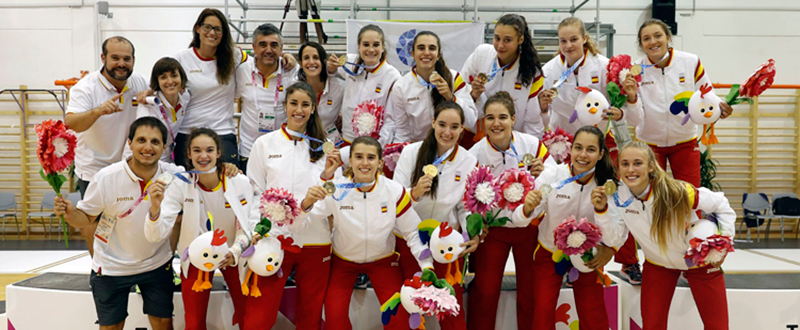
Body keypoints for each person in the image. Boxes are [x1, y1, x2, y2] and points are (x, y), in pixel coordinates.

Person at [540, 17, 644, 284]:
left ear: (584, 38)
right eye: (563, 41)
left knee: (618, 199)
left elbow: (626, 111)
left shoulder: (605, 66)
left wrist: (620, 111)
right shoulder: (549, 70)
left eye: (573, 39)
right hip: (564, 147)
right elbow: (542, 115)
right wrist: (542, 107)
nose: (568, 45)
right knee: (564, 205)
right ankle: (564, 258)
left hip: (599, 146)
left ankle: (628, 261)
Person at [593, 140, 736, 330]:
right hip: (658, 265)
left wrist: (723, 244)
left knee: (717, 327)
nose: (630, 170)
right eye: (625, 164)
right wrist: (601, 210)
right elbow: (613, 239)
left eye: (638, 163)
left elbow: (720, 204)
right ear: (618, 167)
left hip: (700, 264)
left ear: (651, 166)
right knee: (652, 326)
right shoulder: (619, 197)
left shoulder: (677, 192)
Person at [53, 117, 180, 330]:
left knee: (164, 323)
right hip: (112, 266)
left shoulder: (175, 175)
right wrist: (69, 213)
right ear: (129, 143)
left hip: (156, 263)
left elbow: (208, 177)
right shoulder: (106, 178)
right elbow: (85, 218)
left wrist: (230, 170)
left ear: (164, 147)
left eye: (155, 142)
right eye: (141, 140)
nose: (148, 147)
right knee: (112, 327)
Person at [299, 136, 434, 329]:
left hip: (383, 261)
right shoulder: (336, 190)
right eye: (359, 157)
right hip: (343, 262)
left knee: (398, 319)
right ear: (350, 161)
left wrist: (427, 266)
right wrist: (305, 204)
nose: (364, 163)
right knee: (334, 317)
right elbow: (306, 220)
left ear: (380, 163)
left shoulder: (394, 191)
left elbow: (412, 232)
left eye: (371, 157)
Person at [245, 82, 334, 330]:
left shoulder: (324, 148)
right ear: (285, 105)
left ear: (314, 108)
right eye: (293, 103)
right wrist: (256, 229)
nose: (299, 109)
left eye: (305, 104)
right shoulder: (265, 144)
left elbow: (329, 198)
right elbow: (255, 192)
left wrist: (325, 181)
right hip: (275, 238)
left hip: (315, 239)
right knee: (259, 316)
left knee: (310, 315)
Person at [143, 128, 251, 330]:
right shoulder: (180, 184)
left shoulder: (239, 182)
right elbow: (155, 234)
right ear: (189, 154)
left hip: (233, 254)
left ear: (219, 153)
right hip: (195, 256)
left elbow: (246, 229)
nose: (203, 156)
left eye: (209, 150)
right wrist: (155, 208)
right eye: (197, 150)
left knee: (248, 315)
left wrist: (235, 252)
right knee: (193, 322)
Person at [466, 91, 555, 329]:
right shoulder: (473, 155)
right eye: (490, 117)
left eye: (503, 117)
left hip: (529, 228)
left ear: (513, 119)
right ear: (483, 121)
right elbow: (466, 199)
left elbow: (554, 184)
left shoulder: (533, 145)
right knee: (485, 291)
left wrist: (542, 175)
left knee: (530, 291)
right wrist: (476, 225)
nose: (497, 123)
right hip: (493, 231)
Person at [392, 101, 479, 329]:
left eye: (454, 126)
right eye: (442, 124)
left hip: (444, 243)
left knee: (450, 306)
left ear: (462, 129)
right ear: (432, 123)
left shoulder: (468, 161)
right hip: (409, 240)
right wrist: (415, 193)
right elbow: (394, 197)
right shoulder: (411, 153)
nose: (447, 132)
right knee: (411, 305)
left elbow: (465, 205)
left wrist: (471, 232)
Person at [65, 36, 148, 256]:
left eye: (127, 59)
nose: (121, 63)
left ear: (133, 60)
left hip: (128, 166)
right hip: (93, 167)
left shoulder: (139, 82)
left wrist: (149, 95)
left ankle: (130, 268)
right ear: (103, 58)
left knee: (131, 220)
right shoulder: (86, 87)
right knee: (93, 220)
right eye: (115, 58)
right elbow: (71, 122)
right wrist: (98, 111)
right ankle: (99, 269)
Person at [528, 126, 616, 330]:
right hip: (550, 250)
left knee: (593, 312)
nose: (583, 155)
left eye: (591, 149)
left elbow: (618, 225)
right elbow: (532, 211)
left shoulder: (608, 184)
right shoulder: (552, 175)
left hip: (587, 253)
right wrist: (528, 205)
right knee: (542, 310)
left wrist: (610, 249)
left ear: (601, 153)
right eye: (578, 147)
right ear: (571, 149)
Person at [632, 18, 733, 188]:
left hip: (685, 142)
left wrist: (719, 110)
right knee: (652, 199)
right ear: (641, 44)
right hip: (649, 144)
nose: (653, 42)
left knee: (691, 197)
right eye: (646, 38)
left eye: (658, 36)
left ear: (668, 38)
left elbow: (707, 94)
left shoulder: (690, 62)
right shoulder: (634, 69)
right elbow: (633, 111)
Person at [461, 14, 548, 146]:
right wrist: (473, 95)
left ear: (520, 39)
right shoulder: (481, 54)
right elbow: (459, 92)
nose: (500, 45)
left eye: (507, 40)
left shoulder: (532, 72)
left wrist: (531, 151)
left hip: (509, 140)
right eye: (497, 38)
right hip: (473, 135)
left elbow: (532, 120)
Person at [382, 31, 477, 144]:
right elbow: (402, 131)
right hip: (418, 148)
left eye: (432, 48)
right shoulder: (401, 86)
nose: (426, 53)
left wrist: (451, 98)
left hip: (448, 145)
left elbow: (471, 121)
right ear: (412, 54)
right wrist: (400, 154)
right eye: (421, 48)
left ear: (438, 55)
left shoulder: (453, 78)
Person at [235, 23, 299, 171]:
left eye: (274, 45)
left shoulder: (292, 71)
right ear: (254, 47)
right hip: (248, 150)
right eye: (262, 44)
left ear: (281, 49)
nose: (268, 50)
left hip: (281, 151)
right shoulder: (242, 71)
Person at [326, 24, 401, 145]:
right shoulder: (349, 62)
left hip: (371, 144)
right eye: (366, 44)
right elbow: (331, 72)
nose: (371, 49)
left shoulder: (392, 76)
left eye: (376, 45)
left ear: (383, 47)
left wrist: (379, 146)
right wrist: (330, 68)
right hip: (346, 139)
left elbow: (391, 119)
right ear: (359, 47)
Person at [126, 57, 190, 163]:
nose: (170, 81)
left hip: (167, 157)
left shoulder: (185, 96)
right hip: (143, 158)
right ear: (157, 81)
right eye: (163, 77)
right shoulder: (148, 106)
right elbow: (142, 140)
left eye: (174, 76)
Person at [295, 42, 345, 146]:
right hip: (301, 143)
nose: (311, 62)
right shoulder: (294, 88)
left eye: (316, 58)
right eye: (306, 58)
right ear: (300, 63)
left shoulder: (339, 87)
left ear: (323, 62)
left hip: (330, 144)